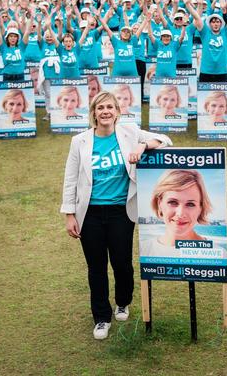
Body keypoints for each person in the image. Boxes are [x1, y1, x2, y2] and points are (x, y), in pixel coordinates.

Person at [60, 91, 172, 340]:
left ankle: (123, 301)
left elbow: (165, 140)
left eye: (110, 107)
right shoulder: (80, 141)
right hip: (89, 214)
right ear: (94, 114)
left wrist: (142, 146)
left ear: (117, 112)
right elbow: (70, 179)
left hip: (121, 211)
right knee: (96, 267)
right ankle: (101, 317)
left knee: (121, 263)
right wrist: (69, 214)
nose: (105, 112)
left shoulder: (129, 132)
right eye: (100, 108)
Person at [141, 170, 214, 257]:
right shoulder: (144, 250)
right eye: (172, 202)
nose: (180, 213)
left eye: (190, 204)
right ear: (159, 203)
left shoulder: (219, 255)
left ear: (200, 208)